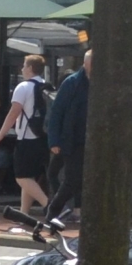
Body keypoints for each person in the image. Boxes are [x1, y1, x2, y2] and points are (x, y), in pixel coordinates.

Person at [0, 54, 52, 225]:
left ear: (29, 68)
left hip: (26, 138)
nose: (21, 68)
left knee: (21, 177)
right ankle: (23, 217)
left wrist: (1, 134)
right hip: (43, 137)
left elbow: (14, 113)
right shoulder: (46, 86)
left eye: (23, 65)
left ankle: (49, 205)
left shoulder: (23, 87)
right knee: (29, 177)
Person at [40, 51, 91, 231]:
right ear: (85, 64)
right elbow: (57, 112)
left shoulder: (101, 83)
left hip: (92, 141)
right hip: (73, 140)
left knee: (86, 179)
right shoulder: (72, 83)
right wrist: (54, 141)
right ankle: (53, 212)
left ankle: (84, 212)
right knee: (71, 179)